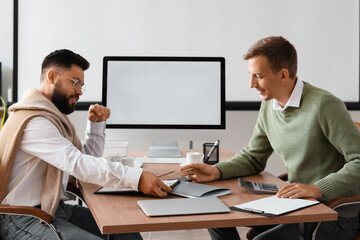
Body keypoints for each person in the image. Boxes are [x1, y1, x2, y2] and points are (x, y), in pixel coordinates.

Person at [181, 36, 360, 240]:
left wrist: (316, 189)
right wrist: (216, 170)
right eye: (251, 75)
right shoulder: (269, 105)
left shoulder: (324, 105)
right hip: (295, 205)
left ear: (283, 74)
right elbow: (253, 157)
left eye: (258, 76)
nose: (251, 84)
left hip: (332, 213)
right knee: (215, 215)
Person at [0, 49, 172, 240]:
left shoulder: (53, 118)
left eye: (82, 85)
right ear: (52, 76)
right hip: (23, 218)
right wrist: (136, 178)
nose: (80, 91)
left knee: (126, 233)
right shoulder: (35, 122)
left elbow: (87, 160)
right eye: (75, 82)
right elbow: (77, 163)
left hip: (55, 209)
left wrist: (96, 126)